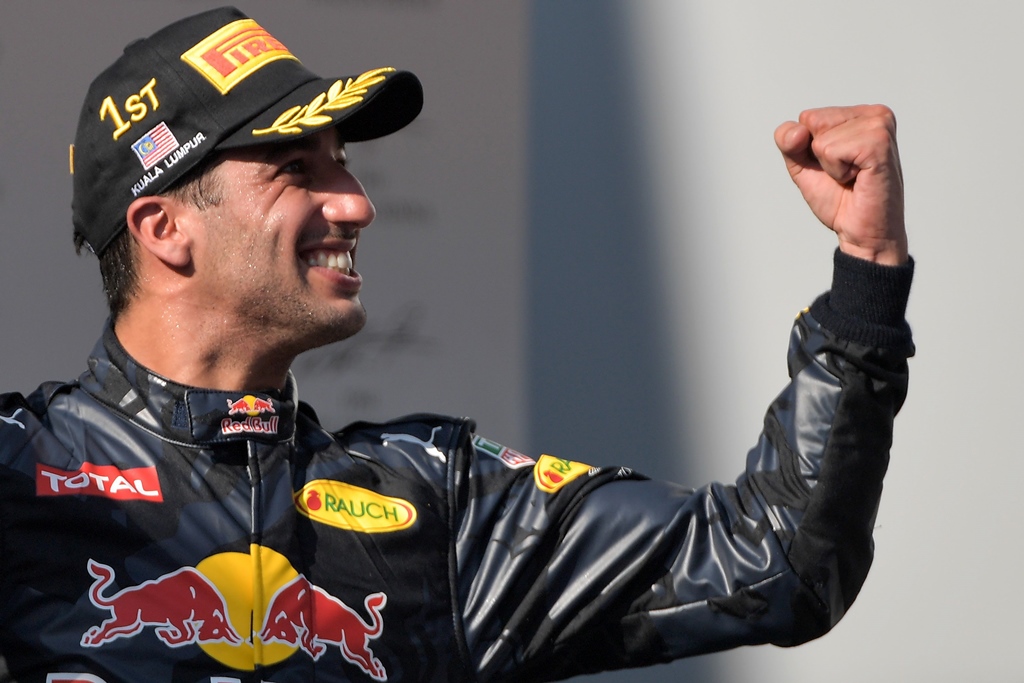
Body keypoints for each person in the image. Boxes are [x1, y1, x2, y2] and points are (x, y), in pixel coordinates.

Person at [0, 6, 914, 683]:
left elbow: (779, 559)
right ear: (165, 228)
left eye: (345, 163)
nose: (355, 202)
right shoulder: (17, 472)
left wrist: (866, 271)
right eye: (297, 168)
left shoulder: (435, 501)